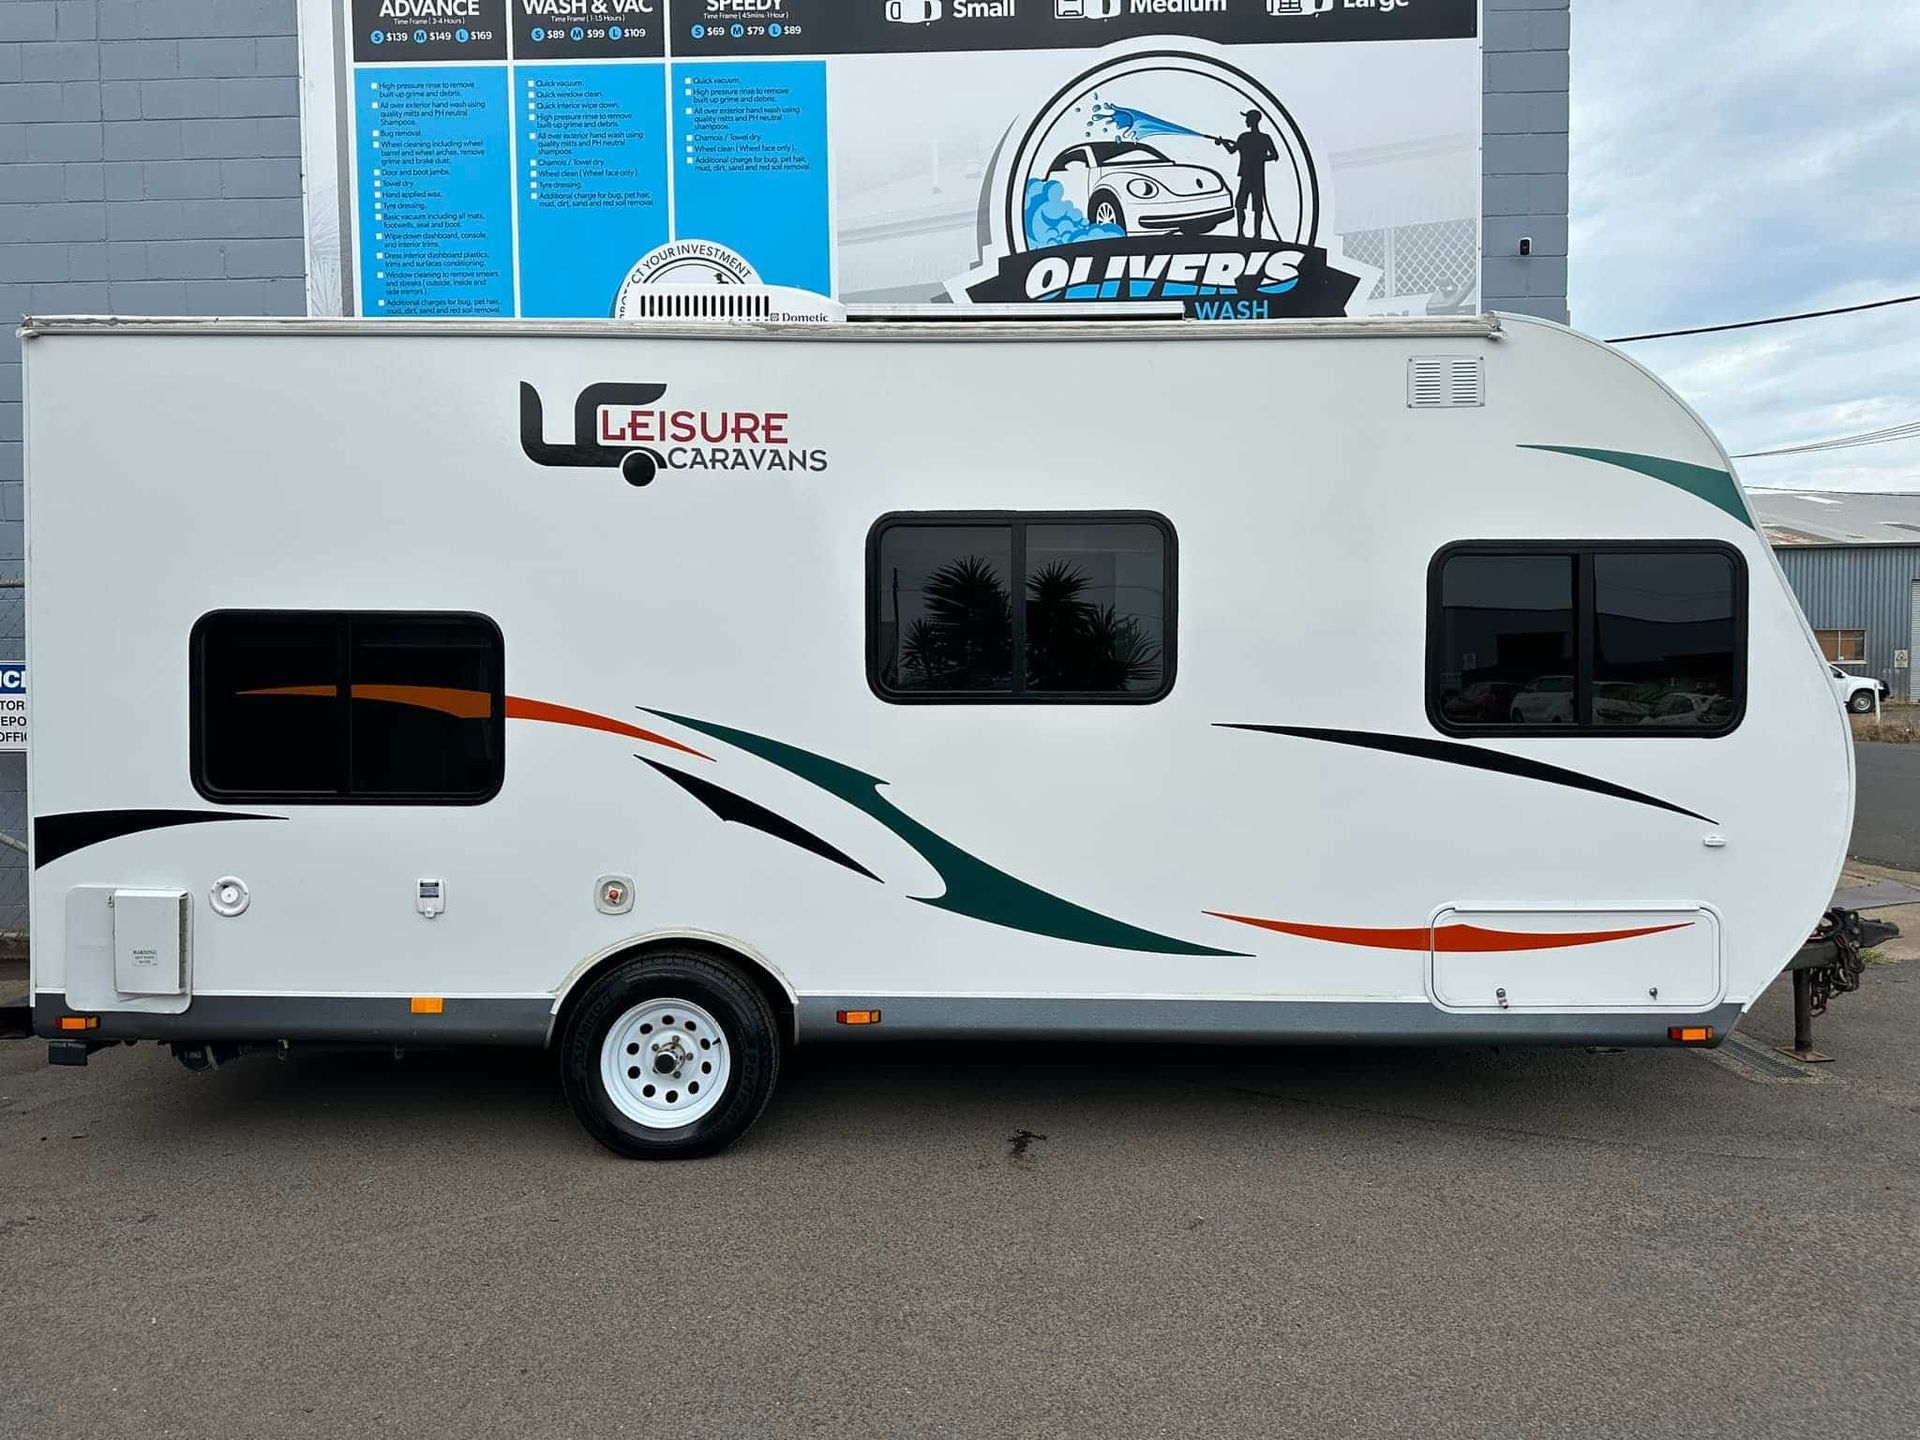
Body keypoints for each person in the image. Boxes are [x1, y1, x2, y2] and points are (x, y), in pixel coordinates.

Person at [1215, 109, 1279, 239]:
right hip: (1250, 176)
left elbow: (1275, 156)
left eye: (1247, 119)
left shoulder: (1251, 137)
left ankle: (1255, 234)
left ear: (1252, 120)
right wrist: (1223, 142)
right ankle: (1244, 233)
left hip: (1252, 177)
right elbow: (1232, 150)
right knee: (1242, 205)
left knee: (1254, 206)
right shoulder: (1249, 137)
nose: (1246, 121)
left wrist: (1260, 158)